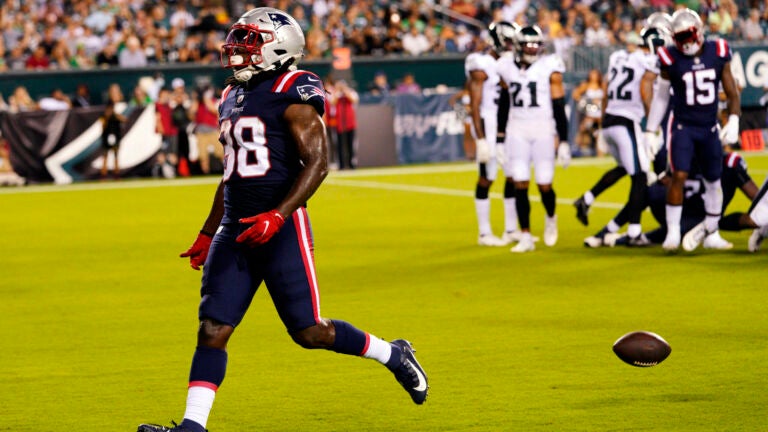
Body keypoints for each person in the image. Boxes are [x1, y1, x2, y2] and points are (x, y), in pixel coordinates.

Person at [137, 8, 428, 432]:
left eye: (250, 40)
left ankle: (393, 353)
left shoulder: (294, 87)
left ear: (277, 46)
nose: (238, 49)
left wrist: (279, 214)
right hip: (235, 226)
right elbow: (231, 175)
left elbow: (318, 162)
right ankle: (192, 426)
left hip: (281, 226)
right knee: (213, 327)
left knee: (309, 331)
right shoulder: (230, 95)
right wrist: (205, 232)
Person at [643, 8, 741, 251]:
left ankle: (712, 233)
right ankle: (673, 232)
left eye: (688, 35)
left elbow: (731, 90)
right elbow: (662, 97)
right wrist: (650, 130)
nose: (685, 42)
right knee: (679, 175)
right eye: (680, 37)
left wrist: (735, 119)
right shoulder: (669, 56)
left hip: (709, 127)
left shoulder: (717, 51)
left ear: (698, 31)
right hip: (683, 126)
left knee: (713, 181)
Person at [580, 28, 669, 248]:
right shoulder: (649, 61)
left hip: (611, 118)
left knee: (628, 169)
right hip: (628, 120)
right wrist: (652, 125)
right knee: (641, 177)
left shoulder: (618, 57)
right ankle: (634, 231)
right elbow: (644, 88)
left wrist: (601, 123)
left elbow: (607, 88)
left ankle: (590, 203)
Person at [497, 25, 571, 253]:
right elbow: (504, 102)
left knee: (544, 184)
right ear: (518, 46)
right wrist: (500, 138)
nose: (532, 49)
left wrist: (564, 140)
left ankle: (551, 217)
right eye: (528, 45)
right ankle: (526, 235)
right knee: (520, 181)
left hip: (542, 130)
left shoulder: (549, 66)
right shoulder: (506, 66)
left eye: (536, 44)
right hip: (516, 129)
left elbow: (559, 105)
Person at [608, 151, 758, 248]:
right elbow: (664, 182)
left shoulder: (730, 163)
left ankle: (639, 237)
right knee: (651, 191)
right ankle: (616, 231)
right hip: (683, 210)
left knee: (692, 226)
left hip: (706, 217)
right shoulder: (685, 157)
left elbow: (755, 196)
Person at [465, 21, 520, 246]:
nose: (511, 46)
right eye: (508, 41)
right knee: (487, 177)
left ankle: (510, 229)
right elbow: (475, 105)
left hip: (506, 125)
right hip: (487, 124)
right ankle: (484, 233)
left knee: (513, 175)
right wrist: (480, 139)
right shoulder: (481, 64)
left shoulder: (509, 63)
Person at [571, 69, 605, 156]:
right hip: (590, 112)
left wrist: (600, 102)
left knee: (599, 134)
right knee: (583, 130)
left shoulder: (602, 85)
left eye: (595, 74)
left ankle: (600, 153)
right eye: (592, 73)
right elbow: (575, 94)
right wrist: (586, 102)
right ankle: (576, 150)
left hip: (599, 113)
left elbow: (606, 97)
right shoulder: (586, 85)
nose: (593, 76)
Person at [328, 79, 358, 169]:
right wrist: (337, 92)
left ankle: (351, 164)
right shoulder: (334, 94)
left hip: (350, 123)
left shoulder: (351, 92)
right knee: (339, 145)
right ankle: (341, 165)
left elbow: (354, 100)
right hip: (339, 123)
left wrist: (345, 91)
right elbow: (332, 102)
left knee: (350, 144)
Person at [100, 100, 126, 179]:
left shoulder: (116, 116)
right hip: (106, 137)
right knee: (105, 155)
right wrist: (106, 117)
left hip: (115, 137)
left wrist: (116, 115)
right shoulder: (104, 116)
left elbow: (124, 119)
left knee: (116, 155)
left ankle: (117, 172)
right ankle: (103, 173)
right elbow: (102, 125)